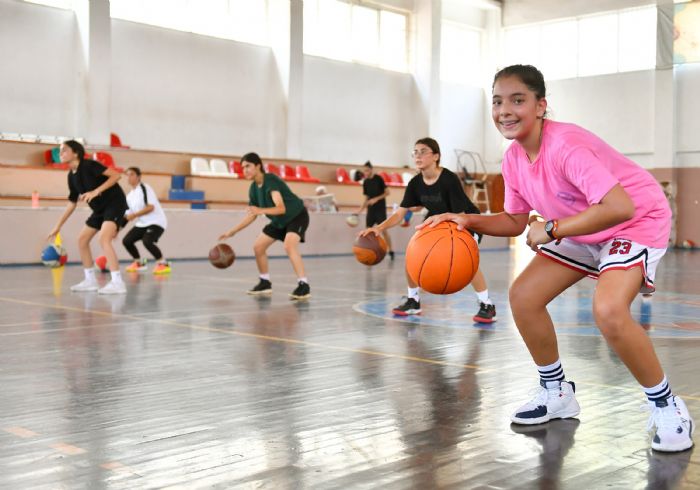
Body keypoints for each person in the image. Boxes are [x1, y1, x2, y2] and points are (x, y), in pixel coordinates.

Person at [421, 64, 693, 452]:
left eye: (518, 100)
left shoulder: (566, 146)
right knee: (524, 296)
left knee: (610, 311)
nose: (505, 110)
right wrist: (464, 218)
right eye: (497, 102)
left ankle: (668, 407)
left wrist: (551, 229)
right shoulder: (514, 158)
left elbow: (618, 206)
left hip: (634, 219)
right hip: (581, 224)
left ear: (541, 105)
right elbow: (516, 220)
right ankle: (556, 392)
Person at [360, 138, 496, 322]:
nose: (418, 155)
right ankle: (413, 300)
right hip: (435, 221)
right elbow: (400, 214)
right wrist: (378, 228)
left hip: (464, 219)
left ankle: (486, 304)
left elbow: (461, 216)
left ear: (436, 156)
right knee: (412, 255)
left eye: (423, 151)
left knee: (466, 259)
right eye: (415, 152)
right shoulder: (415, 183)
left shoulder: (449, 179)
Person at [218, 152, 311, 300]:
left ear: (258, 166)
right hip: (279, 221)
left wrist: (260, 210)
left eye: (248, 166)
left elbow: (281, 208)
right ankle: (265, 282)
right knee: (258, 247)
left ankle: (303, 285)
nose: (245, 170)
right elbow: (252, 215)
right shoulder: (253, 189)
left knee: (289, 245)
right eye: (242, 168)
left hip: (296, 216)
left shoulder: (271, 180)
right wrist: (232, 231)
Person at [47, 140, 128, 294]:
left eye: (64, 150)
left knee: (104, 239)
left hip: (114, 203)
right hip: (99, 209)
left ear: (76, 153)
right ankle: (90, 280)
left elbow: (116, 176)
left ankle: (118, 282)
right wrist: (58, 226)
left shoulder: (90, 165)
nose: (60, 153)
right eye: (59, 150)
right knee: (82, 239)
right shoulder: (71, 176)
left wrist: (96, 191)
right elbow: (72, 203)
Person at [122, 167, 170, 274]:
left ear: (138, 177)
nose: (129, 177)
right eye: (127, 175)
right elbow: (127, 216)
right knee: (127, 241)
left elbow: (150, 207)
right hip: (142, 223)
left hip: (156, 221)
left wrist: (134, 215)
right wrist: (116, 230)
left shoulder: (145, 188)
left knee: (147, 241)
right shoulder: (129, 196)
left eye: (132, 174)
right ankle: (139, 263)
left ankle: (163, 264)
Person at [356, 161, 395, 260]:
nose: (366, 172)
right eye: (364, 171)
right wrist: (359, 211)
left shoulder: (378, 179)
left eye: (367, 170)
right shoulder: (365, 182)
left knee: (384, 231)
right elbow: (366, 198)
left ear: (371, 169)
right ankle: (368, 252)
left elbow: (387, 192)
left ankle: (391, 250)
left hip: (380, 209)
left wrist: (376, 199)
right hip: (371, 210)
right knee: (367, 232)